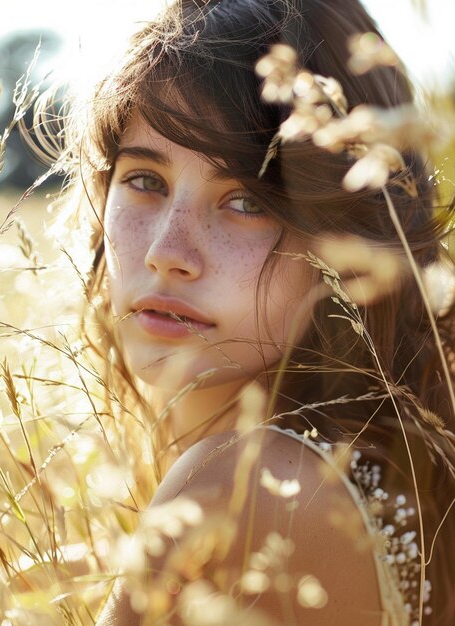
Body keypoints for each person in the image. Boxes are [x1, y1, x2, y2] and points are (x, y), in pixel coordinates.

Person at [44, 0, 455, 623]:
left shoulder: (240, 490)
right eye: (145, 182)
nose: (167, 254)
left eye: (244, 200)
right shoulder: (388, 477)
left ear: (347, 242)